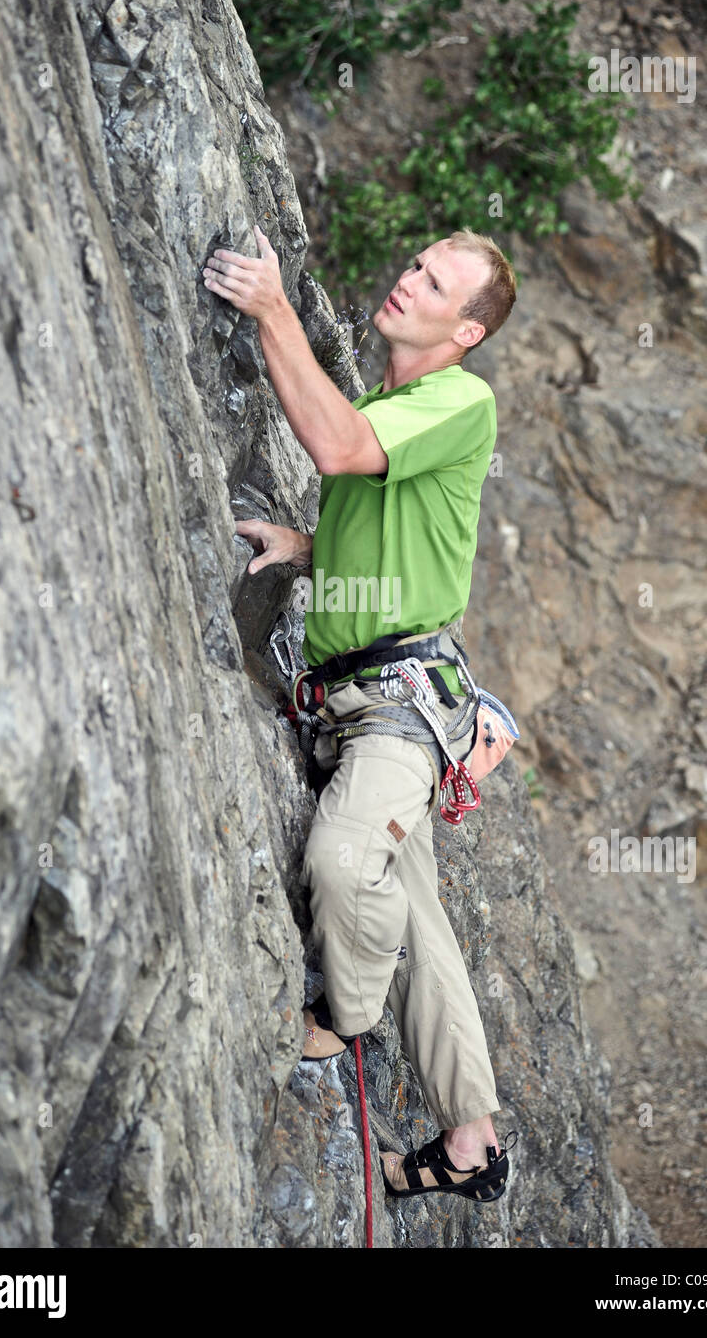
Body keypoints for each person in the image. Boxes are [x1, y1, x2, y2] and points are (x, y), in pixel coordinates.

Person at [202, 224, 517, 1202]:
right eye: (416, 263)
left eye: (434, 282)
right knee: (415, 918)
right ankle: (471, 1140)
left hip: (392, 713)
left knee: (345, 864)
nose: (408, 279)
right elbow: (392, 521)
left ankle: (344, 1017)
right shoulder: (403, 397)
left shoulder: (458, 399)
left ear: (463, 332)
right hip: (370, 698)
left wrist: (270, 308)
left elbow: (338, 446)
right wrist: (310, 546)